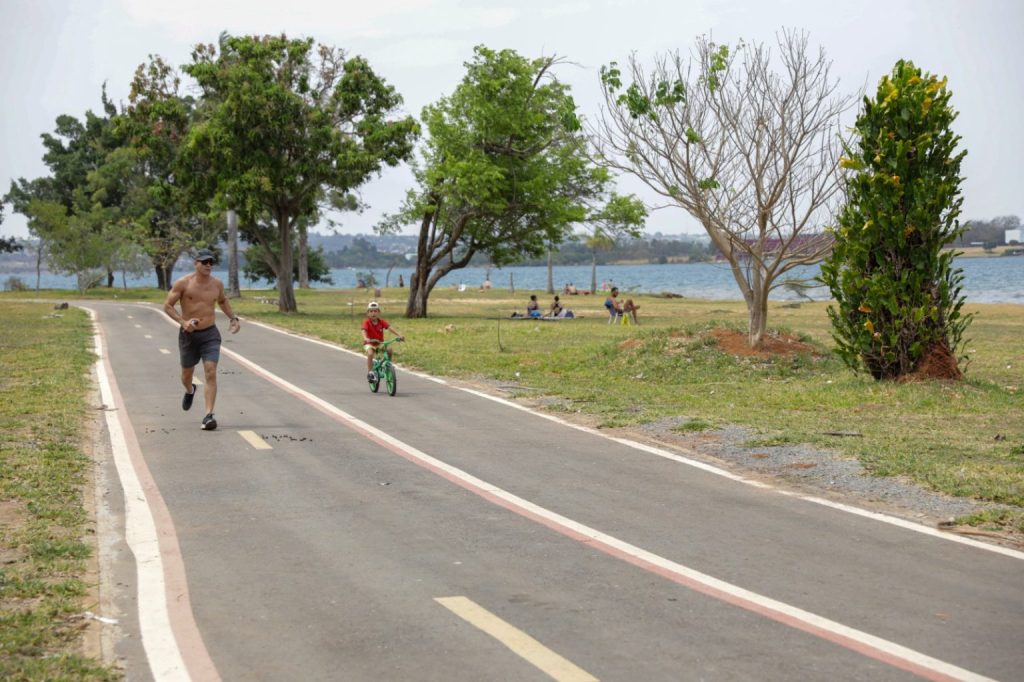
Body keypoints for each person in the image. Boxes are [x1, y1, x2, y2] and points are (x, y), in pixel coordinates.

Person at [163, 249, 241, 431]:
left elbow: (222, 301)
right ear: (195, 263)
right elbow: (167, 306)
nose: (208, 265)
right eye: (204, 262)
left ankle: (208, 416)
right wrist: (183, 322)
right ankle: (190, 390)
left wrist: (233, 318)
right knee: (186, 375)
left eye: (211, 262)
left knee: (210, 371)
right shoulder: (183, 283)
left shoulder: (217, 284)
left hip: (210, 334)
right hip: (188, 335)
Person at [362, 301, 403, 382]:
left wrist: (399, 335)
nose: (373, 313)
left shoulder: (381, 322)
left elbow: (390, 328)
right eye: (371, 311)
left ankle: (388, 365)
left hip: (380, 343)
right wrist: (365, 338)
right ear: (368, 313)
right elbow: (363, 331)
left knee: (389, 350)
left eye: (375, 311)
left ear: (379, 312)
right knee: (370, 354)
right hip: (370, 343)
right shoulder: (366, 322)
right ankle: (370, 373)